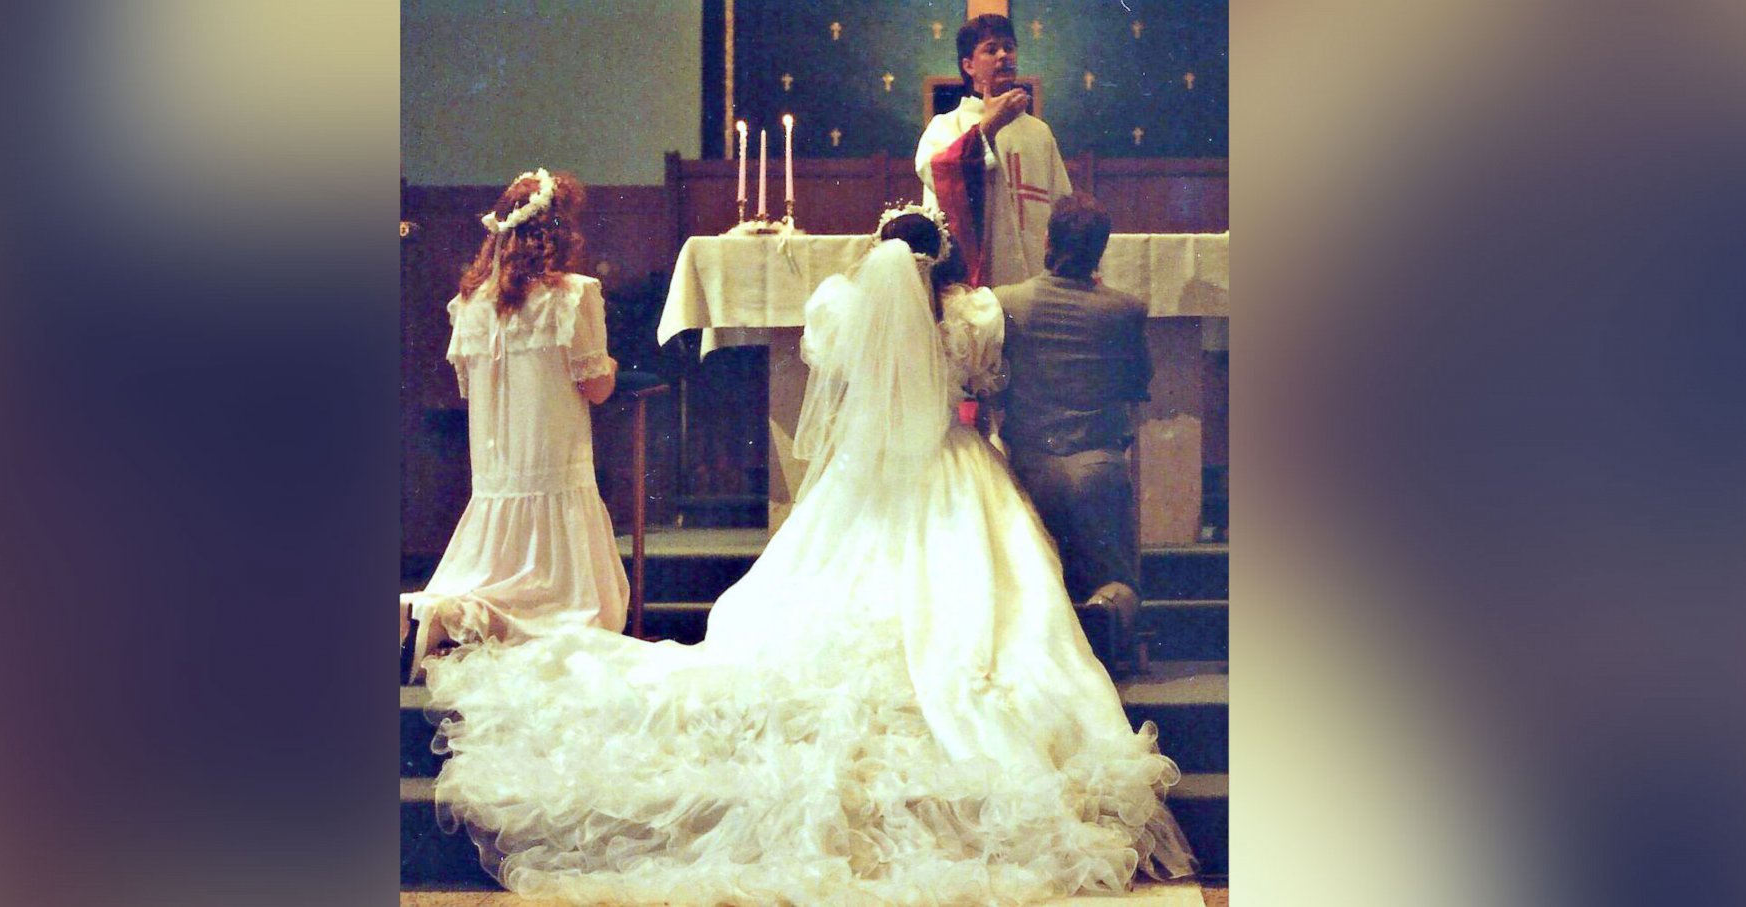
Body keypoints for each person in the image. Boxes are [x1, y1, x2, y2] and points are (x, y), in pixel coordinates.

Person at [420, 204, 1195, 905]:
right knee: (994, 609)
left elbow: (833, 371)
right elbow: (986, 385)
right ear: (942, 262)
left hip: (862, 475)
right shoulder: (975, 314)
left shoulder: (839, 307)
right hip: (952, 469)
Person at [400, 169, 626, 679]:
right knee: (584, 613)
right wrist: (609, 368)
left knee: (494, 579)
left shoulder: (470, 304)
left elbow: (471, 388)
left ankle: (447, 613)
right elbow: (595, 386)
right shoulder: (574, 294)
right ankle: (457, 616)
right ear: (558, 231)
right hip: (555, 465)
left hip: (496, 477)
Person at [991, 194, 1155, 678]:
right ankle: (1105, 624)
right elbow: (1137, 384)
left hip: (1030, 468)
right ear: (1099, 251)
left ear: (1046, 241)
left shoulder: (1008, 302)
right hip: (1098, 467)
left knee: (1038, 575)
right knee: (1117, 580)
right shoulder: (1124, 310)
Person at [917, 13, 1073, 288]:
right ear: (969, 65)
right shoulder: (946, 126)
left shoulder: (1039, 132)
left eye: (1009, 47)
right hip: (974, 277)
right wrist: (986, 129)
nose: (1004, 55)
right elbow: (938, 174)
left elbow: (1062, 204)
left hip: (1036, 276)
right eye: (991, 49)